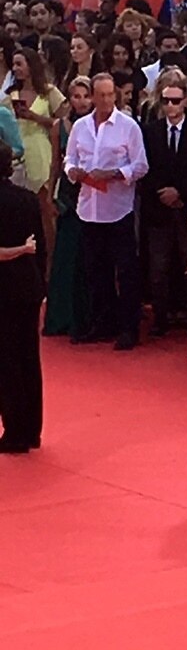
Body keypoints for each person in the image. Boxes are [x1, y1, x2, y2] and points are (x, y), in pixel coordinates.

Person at [63, 71, 147, 349]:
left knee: (125, 270)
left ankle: (129, 328)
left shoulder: (129, 126)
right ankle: (102, 323)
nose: (107, 100)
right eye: (101, 95)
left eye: (111, 95)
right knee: (95, 270)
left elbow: (140, 166)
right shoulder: (81, 127)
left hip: (119, 209)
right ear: (93, 97)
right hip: (89, 208)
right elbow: (69, 158)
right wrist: (73, 171)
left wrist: (113, 174)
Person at [141, 76, 187, 336]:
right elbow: (146, 168)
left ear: (186, 101)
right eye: (166, 100)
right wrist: (163, 193)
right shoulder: (151, 131)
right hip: (158, 209)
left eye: (175, 101)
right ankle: (160, 318)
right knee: (158, 268)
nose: (170, 105)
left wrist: (180, 192)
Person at [0, 141, 45, 452]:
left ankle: (15, 432)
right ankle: (31, 430)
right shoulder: (27, 198)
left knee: (6, 360)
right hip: (28, 286)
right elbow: (40, 246)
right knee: (29, 355)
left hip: (3, 288)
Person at [42, 77, 95, 340]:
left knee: (88, 257)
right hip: (67, 196)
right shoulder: (58, 127)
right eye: (76, 96)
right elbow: (55, 164)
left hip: (94, 193)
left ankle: (86, 318)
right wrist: (51, 196)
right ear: (69, 99)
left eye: (85, 96)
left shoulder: (97, 125)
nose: (81, 101)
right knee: (65, 256)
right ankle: (62, 317)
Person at [7, 44, 64, 264]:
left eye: (19, 64)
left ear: (31, 65)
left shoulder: (49, 92)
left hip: (41, 151)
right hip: (16, 153)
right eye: (14, 65)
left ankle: (51, 262)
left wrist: (35, 118)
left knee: (45, 210)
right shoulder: (10, 95)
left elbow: (62, 123)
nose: (16, 68)